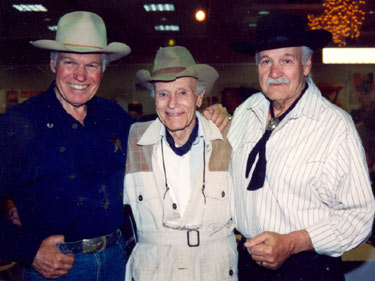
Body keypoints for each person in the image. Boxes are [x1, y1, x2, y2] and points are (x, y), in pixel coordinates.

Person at [228, 14, 375, 280]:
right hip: (248, 266)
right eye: (266, 61)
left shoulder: (333, 126)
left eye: (287, 60)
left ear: (306, 65)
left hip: (307, 268)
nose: (275, 73)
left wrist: (292, 243)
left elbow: (359, 216)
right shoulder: (244, 113)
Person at [0, 11, 135, 280]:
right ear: (53, 63)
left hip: (116, 259)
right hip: (57, 267)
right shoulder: (20, 122)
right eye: (70, 62)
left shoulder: (115, 117)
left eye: (92, 65)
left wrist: (209, 119)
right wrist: (28, 251)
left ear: (103, 69)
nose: (80, 76)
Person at [124, 46, 238, 280]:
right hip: (154, 271)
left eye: (182, 93)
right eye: (163, 94)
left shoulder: (229, 137)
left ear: (199, 97)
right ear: (154, 98)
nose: (172, 104)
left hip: (214, 270)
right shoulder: (133, 139)